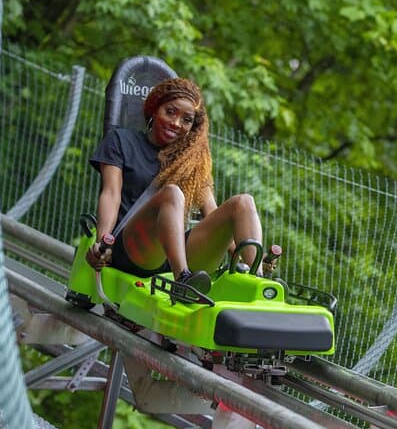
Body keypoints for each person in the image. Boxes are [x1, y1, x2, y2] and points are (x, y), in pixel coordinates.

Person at [86, 77, 266, 298]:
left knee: (243, 202)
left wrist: (240, 256)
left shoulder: (190, 161)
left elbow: (213, 214)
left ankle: (258, 282)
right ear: (154, 108)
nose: (177, 123)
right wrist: (102, 243)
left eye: (186, 120)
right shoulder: (121, 141)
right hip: (132, 249)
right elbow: (111, 194)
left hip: (173, 254)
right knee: (172, 193)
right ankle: (182, 279)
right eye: (170, 112)